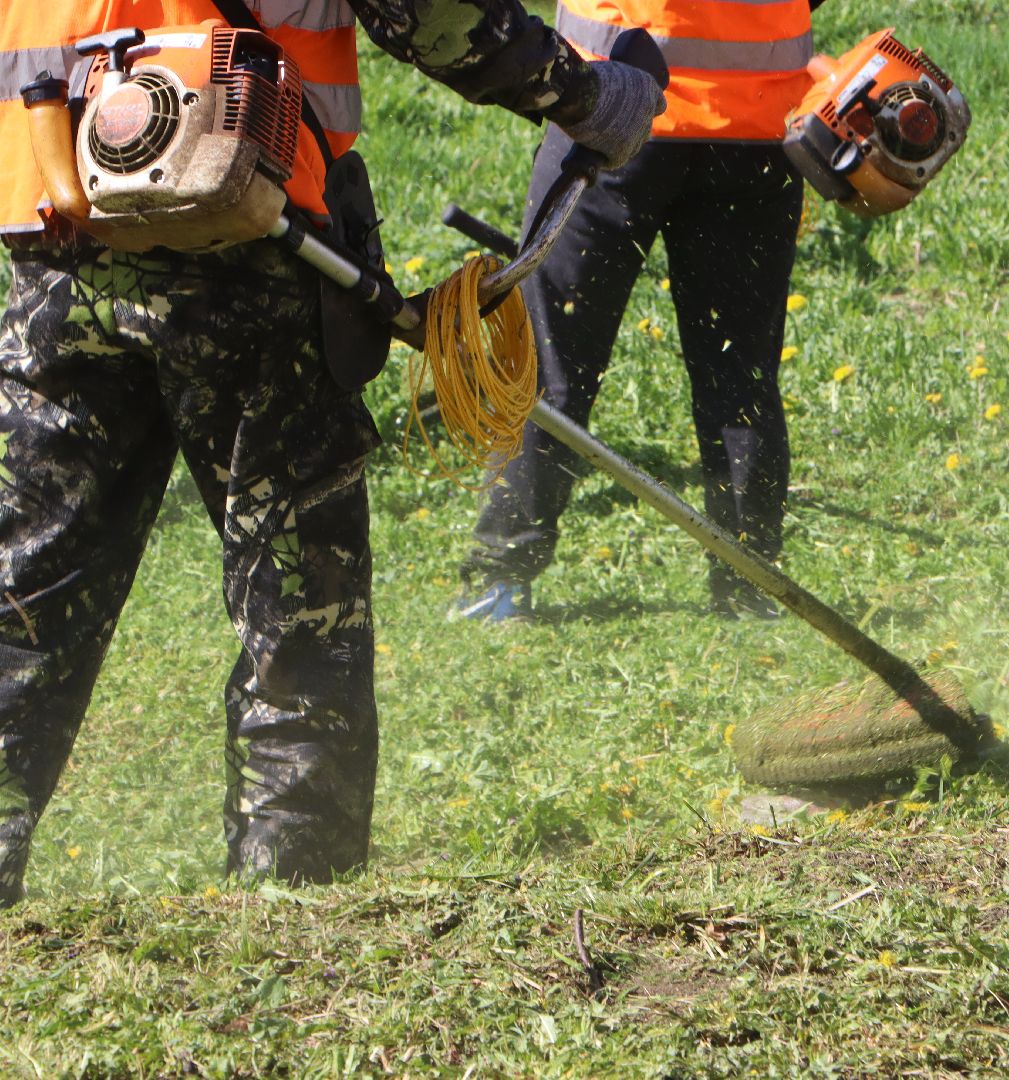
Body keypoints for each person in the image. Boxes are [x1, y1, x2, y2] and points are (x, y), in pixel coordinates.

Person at [0, 0, 663, 906]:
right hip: (247, 231)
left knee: (23, 589)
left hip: (58, 232)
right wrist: (587, 96)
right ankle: (294, 909)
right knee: (296, 605)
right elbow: (433, 16)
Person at [456, 0, 822, 622]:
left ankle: (501, 579)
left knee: (550, 359)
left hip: (609, 103)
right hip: (755, 123)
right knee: (741, 373)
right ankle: (751, 583)